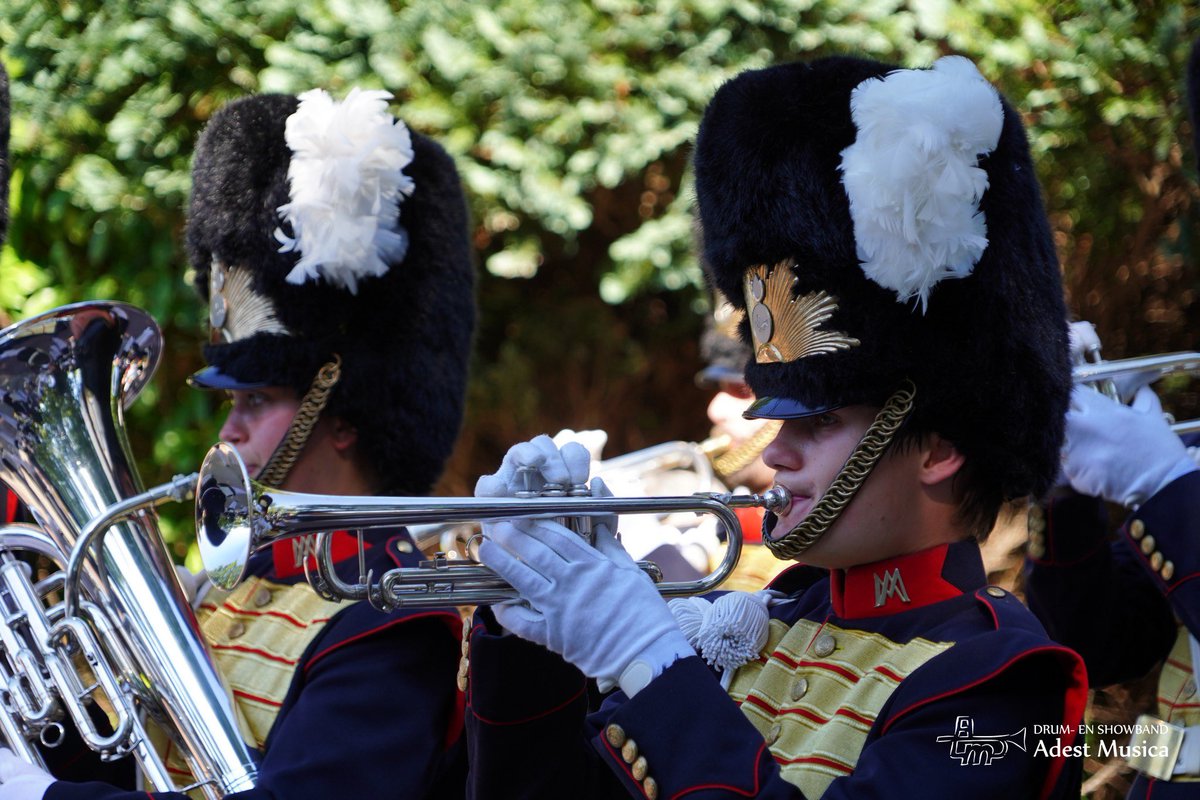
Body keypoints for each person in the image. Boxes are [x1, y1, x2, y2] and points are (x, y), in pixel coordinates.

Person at [461, 53, 1088, 798]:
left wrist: (646, 658)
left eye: (816, 422)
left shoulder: (1004, 689)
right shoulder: (752, 625)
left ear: (941, 447)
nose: (776, 451)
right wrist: (530, 628)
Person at [0, 87, 476, 799]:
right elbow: (128, 766)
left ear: (341, 416)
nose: (229, 429)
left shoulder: (388, 621)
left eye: (257, 401)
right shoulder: (234, 589)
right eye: (232, 403)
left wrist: (35, 797)